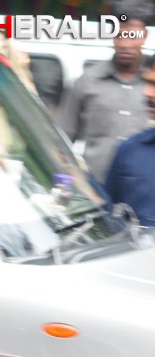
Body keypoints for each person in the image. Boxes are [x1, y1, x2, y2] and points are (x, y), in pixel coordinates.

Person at [58, 0, 153, 182]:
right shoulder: (88, 81)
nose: (125, 44)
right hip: (96, 196)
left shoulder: (153, 87)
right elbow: (62, 143)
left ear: (145, 35)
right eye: (119, 35)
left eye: (132, 36)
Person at [104, 54, 155, 227]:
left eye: (154, 84)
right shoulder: (130, 150)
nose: (147, 92)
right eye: (147, 83)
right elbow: (109, 216)